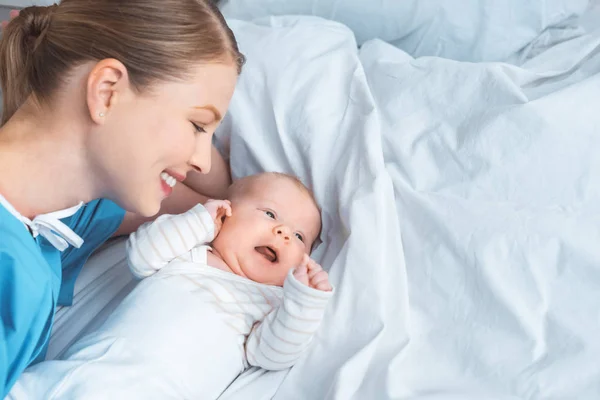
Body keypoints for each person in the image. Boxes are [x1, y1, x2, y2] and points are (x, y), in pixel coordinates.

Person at [0, 0, 245, 396]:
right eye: (197, 125)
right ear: (107, 91)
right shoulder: (12, 270)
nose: (203, 161)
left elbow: (219, 196)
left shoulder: (63, 218)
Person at [8, 172, 333, 399]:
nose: (284, 233)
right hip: (88, 363)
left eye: (299, 237)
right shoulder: (190, 251)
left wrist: (303, 302)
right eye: (270, 213)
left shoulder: (270, 301)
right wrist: (199, 221)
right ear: (225, 212)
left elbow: (271, 353)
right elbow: (142, 255)